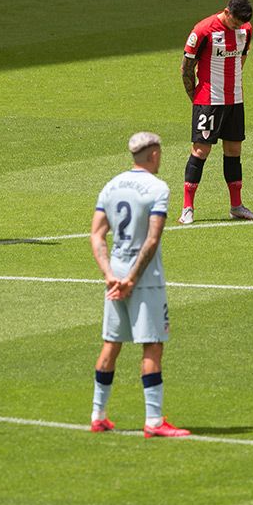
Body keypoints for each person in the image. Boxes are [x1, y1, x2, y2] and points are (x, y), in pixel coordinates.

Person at [88, 132, 189, 438]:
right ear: (154, 154)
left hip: (115, 274)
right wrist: (132, 278)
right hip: (144, 280)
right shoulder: (157, 188)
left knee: (111, 343)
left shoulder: (112, 185)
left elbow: (96, 235)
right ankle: (154, 421)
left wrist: (110, 274)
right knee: (152, 344)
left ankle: (98, 414)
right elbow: (153, 238)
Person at [178, 0, 253, 224]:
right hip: (208, 100)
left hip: (234, 99)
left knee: (234, 152)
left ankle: (236, 206)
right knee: (200, 152)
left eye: (241, 24)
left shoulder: (246, 29)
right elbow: (186, 67)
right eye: (234, 22)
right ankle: (187, 208)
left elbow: (241, 60)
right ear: (226, 12)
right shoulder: (203, 30)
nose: (238, 27)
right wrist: (195, 99)